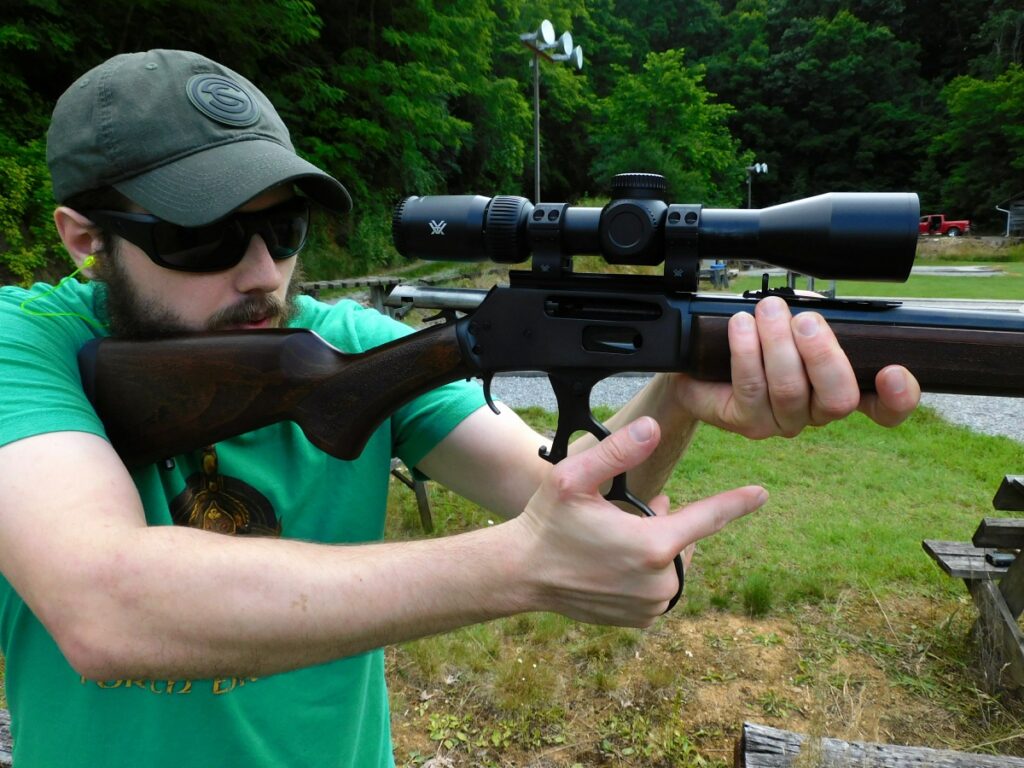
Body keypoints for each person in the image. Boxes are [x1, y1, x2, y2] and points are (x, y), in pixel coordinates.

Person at [0, 50, 921, 767]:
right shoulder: (23, 344)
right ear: (85, 238)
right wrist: (516, 570)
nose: (261, 272)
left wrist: (679, 386)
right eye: (202, 237)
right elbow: (105, 608)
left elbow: (570, 500)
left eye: (282, 230)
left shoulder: (351, 345)